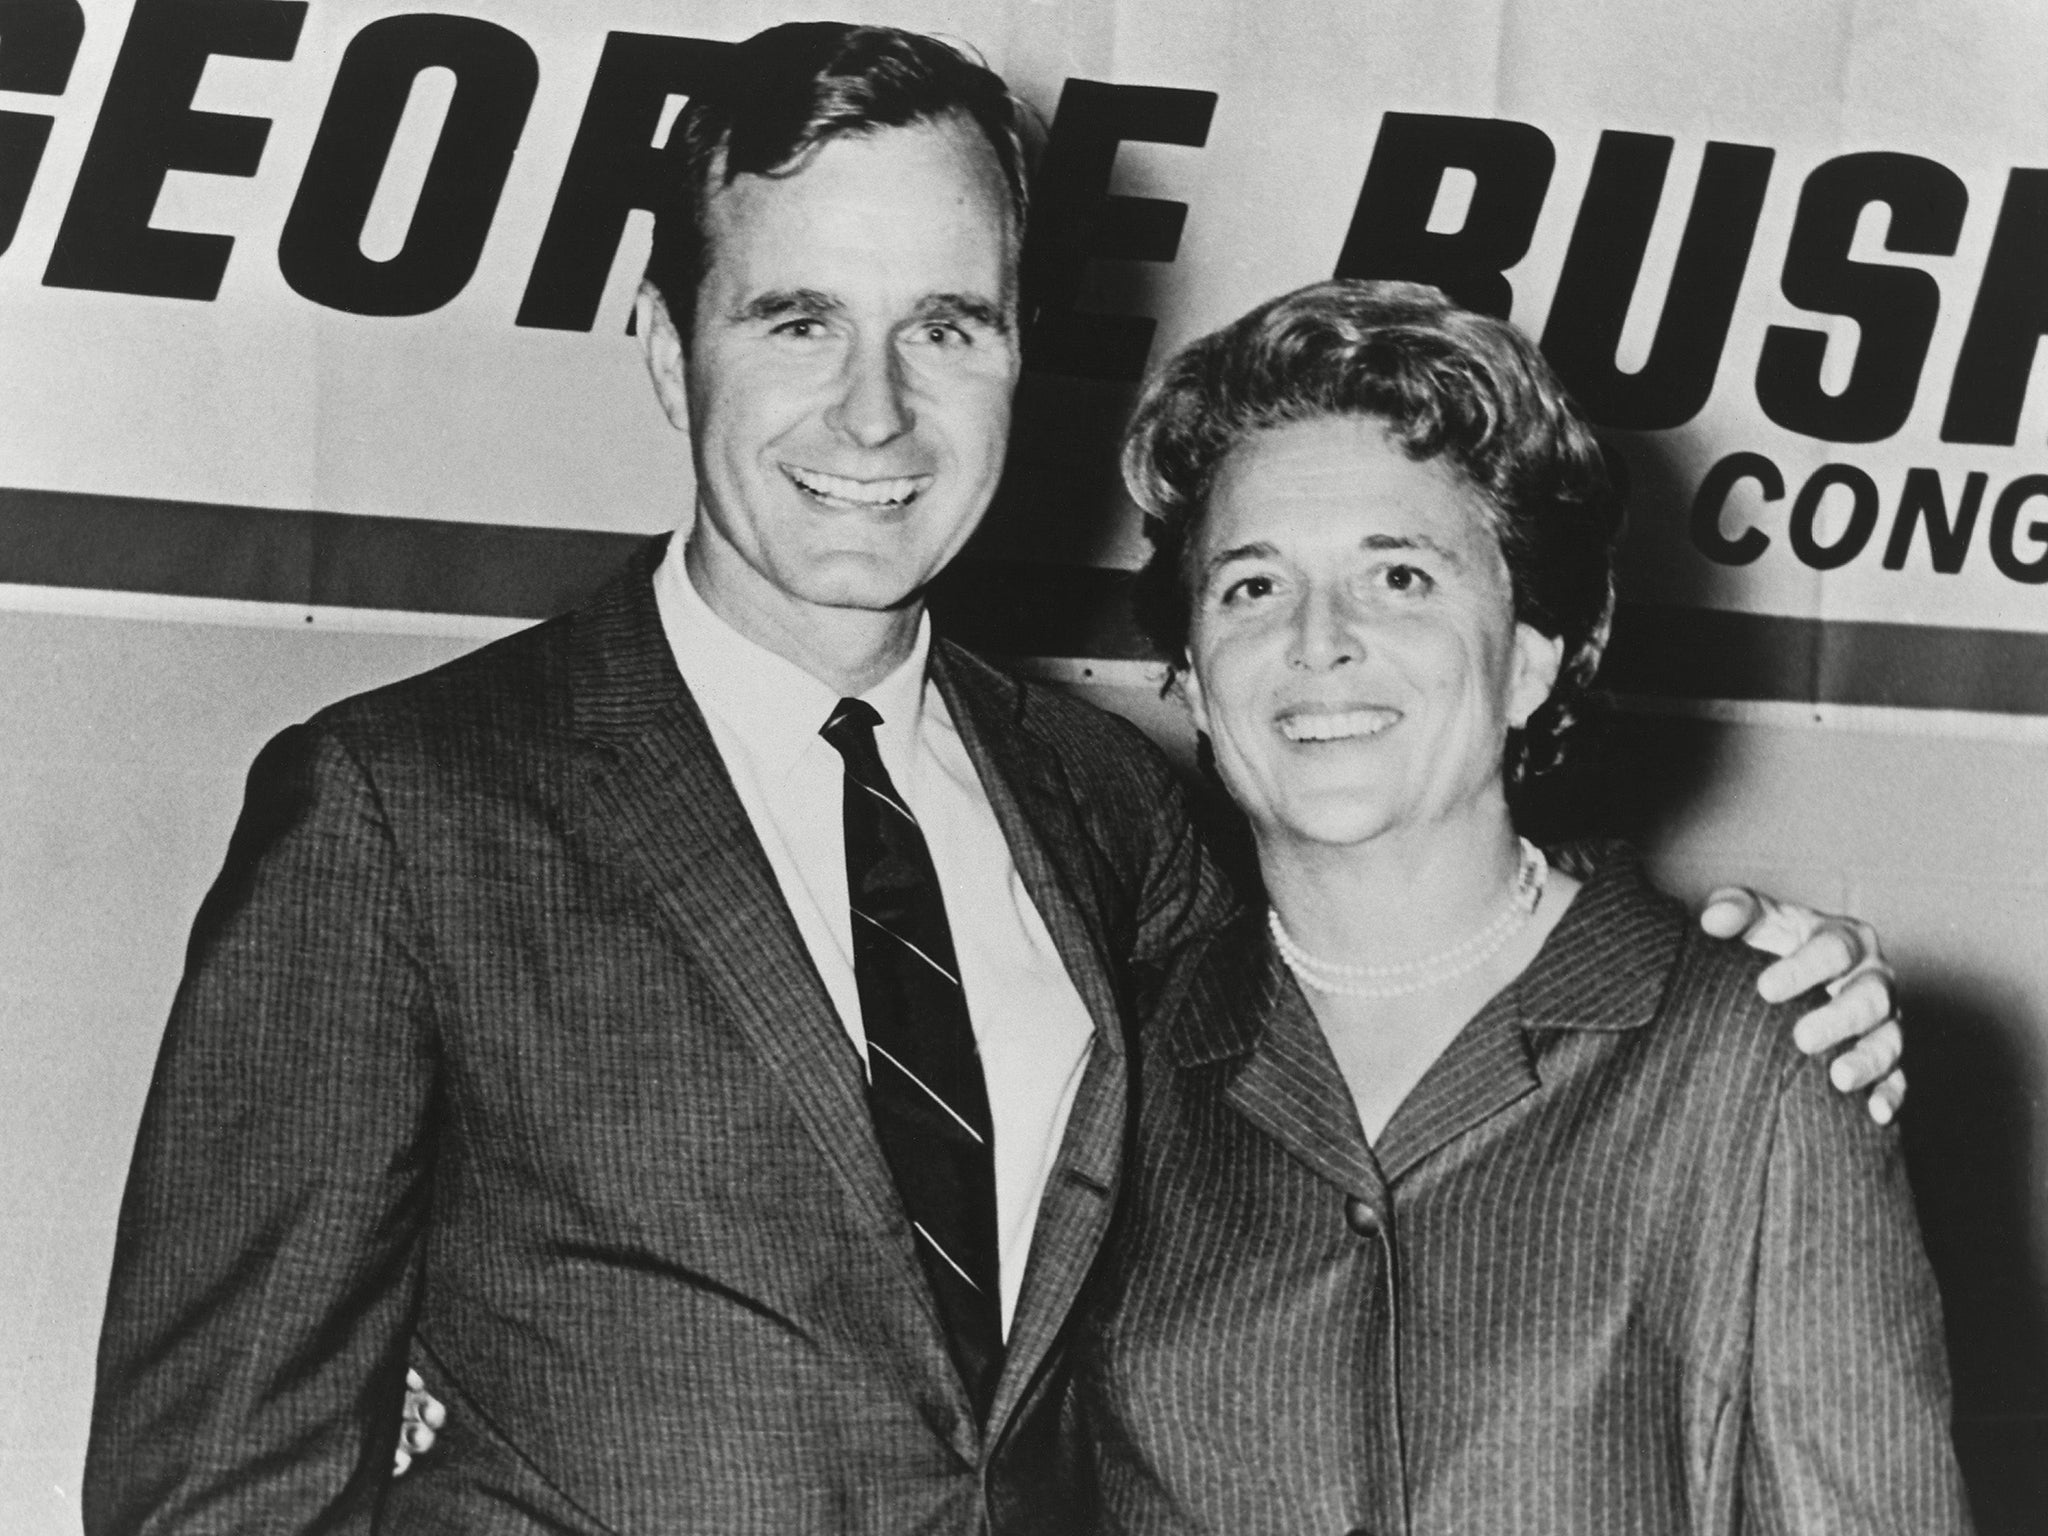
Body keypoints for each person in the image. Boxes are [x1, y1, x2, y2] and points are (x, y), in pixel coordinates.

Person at [82, 24, 1903, 1535]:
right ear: (665, 346)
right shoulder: (402, 812)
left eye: (945, 323)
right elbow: (213, 1489)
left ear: (1021, 354)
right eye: (796, 319)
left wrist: (1736, 984)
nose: (874, 413)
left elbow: (1400, 935)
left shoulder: (1111, 813)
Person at [1077, 279, 1971, 1535]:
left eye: (1399, 575)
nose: (1317, 641)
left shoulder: (1749, 1051)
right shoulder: (1116, 1067)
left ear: (1535, 656)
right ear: (1185, 670)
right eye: (1250, 587)